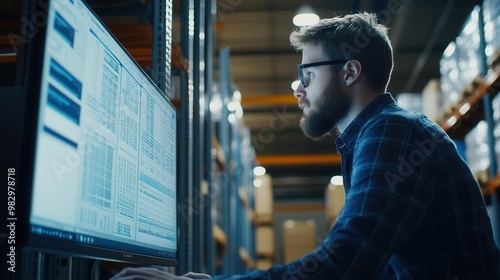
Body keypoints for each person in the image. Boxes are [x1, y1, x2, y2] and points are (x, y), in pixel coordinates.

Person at [111, 12, 499, 280]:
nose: (298, 88)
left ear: (350, 71)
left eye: (306, 73)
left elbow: (343, 264)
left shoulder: (391, 133)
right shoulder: (379, 134)